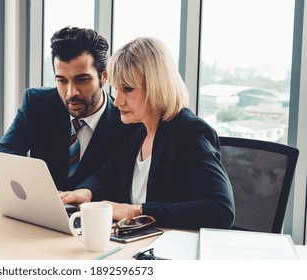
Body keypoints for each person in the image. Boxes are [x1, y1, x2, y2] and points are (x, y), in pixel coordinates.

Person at [61, 37, 235, 229]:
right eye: (116, 88)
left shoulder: (191, 134)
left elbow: (220, 210)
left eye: (128, 89)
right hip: (130, 241)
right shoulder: (137, 130)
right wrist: (87, 191)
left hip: (166, 249)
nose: (117, 101)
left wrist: (135, 212)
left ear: (157, 86)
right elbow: (110, 172)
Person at [0, 27, 139, 191]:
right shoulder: (37, 104)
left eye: (82, 80)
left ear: (104, 76)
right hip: (40, 212)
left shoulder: (128, 124)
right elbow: (3, 154)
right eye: (62, 81)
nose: (71, 93)